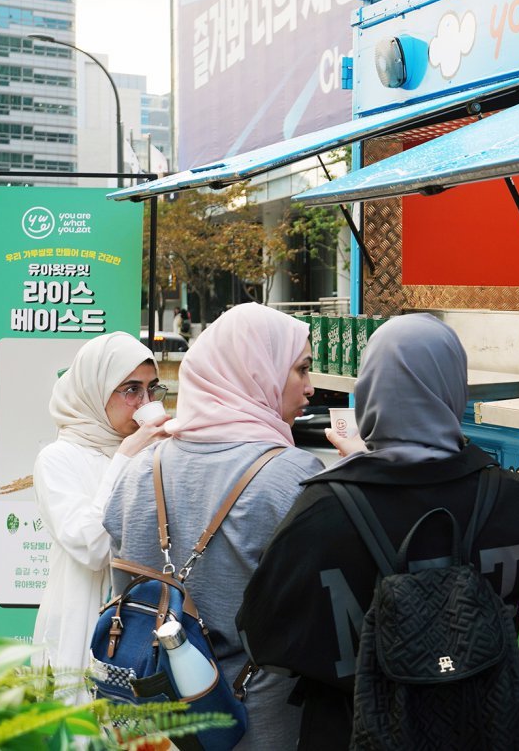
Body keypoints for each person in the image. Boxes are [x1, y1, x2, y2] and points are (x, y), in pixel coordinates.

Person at [236, 313, 519, 750]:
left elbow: (262, 634)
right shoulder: (502, 496)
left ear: (370, 390)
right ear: (452, 389)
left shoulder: (324, 508)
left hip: (350, 731)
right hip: (481, 728)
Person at [104, 303, 325, 749]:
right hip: (251, 721)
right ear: (257, 371)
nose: (310, 387)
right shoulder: (294, 476)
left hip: (151, 716)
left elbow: (121, 582)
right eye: (300, 369)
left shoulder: (140, 468)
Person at [32, 332, 170, 684]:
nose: (144, 402)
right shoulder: (58, 458)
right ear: (95, 391)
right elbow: (92, 547)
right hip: (84, 626)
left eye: (151, 389)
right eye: (130, 390)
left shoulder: (153, 454)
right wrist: (125, 457)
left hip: (148, 622)